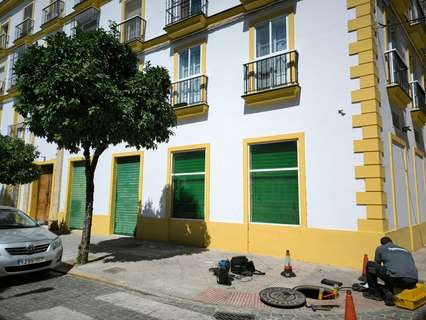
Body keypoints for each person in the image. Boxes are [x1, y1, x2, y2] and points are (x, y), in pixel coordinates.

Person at [363, 236, 418, 306]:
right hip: (413, 280)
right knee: (391, 270)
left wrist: (369, 280)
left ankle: (374, 293)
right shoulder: (405, 250)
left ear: (382, 243)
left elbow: (377, 265)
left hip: (397, 279)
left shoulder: (381, 248)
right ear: (392, 242)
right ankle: (388, 290)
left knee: (370, 265)